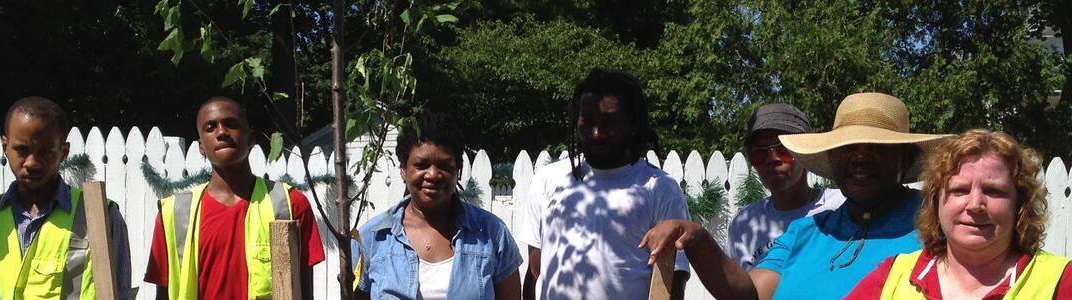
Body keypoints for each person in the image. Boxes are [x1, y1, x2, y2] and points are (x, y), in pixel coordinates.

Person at [638, 92, 951, 300]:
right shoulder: (807, 232)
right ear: (832, 159)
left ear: (906, 159)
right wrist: (696, 238)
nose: (859, 157)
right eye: (847, 148)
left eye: (876, 147)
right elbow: (749, 294)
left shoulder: (940, 229)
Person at [844, 129, 1072, 299]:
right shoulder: (893, 278)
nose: (975, 204)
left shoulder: (1064, 282)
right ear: (936, 201)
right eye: (960, 190)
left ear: (1019, 204)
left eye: (994, 191)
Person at [519, 68, 690, 299]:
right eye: (587, 121)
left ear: (632, 124)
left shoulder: (659, 189)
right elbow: (536, 270)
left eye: (610, 122)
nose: (597, 133)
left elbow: (671, 284)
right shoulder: (547, 181)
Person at [144, 96, 325, 299]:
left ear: (250, 139)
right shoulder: (174, 214)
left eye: (231, 124)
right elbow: (163, 295)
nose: (221, 132)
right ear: (201, 147)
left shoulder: (290, 204)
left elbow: (304, 292)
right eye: (210, 127)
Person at [0, 97, 133, 299]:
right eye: (22, 150)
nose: (32, 163)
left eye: (45, 151)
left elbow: (119, 294)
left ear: (64, 152)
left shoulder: (101, 215)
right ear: (5, 147)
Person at [353, 113, 524, 299]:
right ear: (403, 169)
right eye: (421, 165)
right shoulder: (372, 239)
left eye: (444, 165)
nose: (433, 174)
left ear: (458, 171)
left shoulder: (492, 233)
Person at [728, 103, 846, 270]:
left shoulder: (842, 207)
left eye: (783, 149)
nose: (772, 159)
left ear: (805, 152)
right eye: (760, 154)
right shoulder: (743, 224)